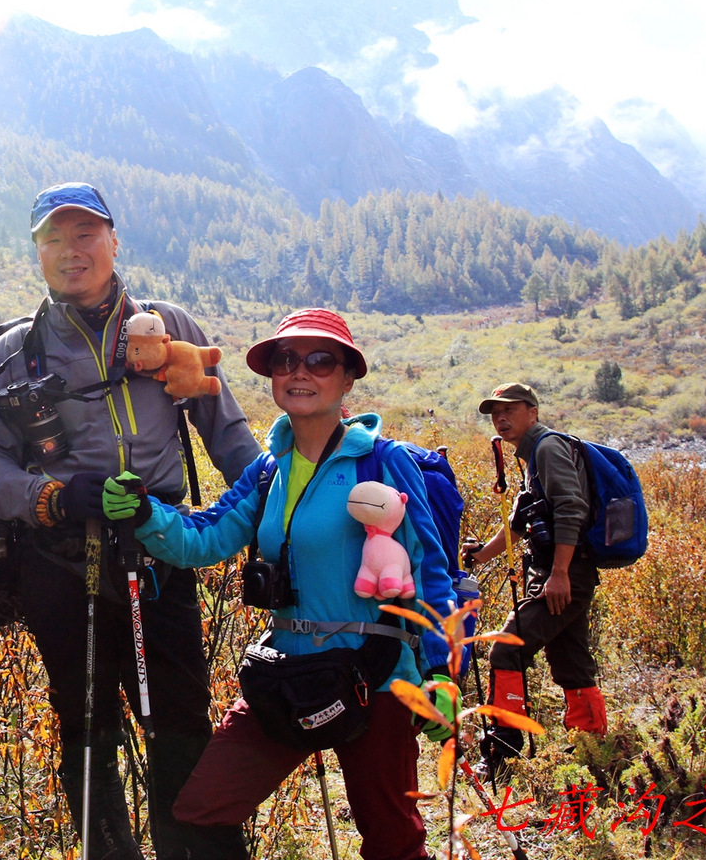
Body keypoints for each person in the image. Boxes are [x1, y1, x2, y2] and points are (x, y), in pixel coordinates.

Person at [0, 182, 260, 860]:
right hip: (59, 563)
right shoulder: (14, 351)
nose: (72, 251)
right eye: (54, 239)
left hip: (160, 554)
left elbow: (229, 435)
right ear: (37, 253)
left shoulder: (169, 328)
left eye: (85, 234)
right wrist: (55, 497)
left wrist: (279, 519)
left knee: (180, 720)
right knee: (85, 723)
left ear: (114, 241)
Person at [100, 308, 456, 860]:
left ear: (348, 378)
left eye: (321, 360)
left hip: (379, 674)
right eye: (286, 360)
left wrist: (440, 670)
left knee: (393, 841)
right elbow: (204, 537)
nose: (300, 372)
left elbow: (428, 565)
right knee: (200, 809)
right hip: (290, 673)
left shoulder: (381, 462)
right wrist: (146, 512)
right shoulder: (269, 470)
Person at [463, 382, 606, 777]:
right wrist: (482, 554)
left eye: (509, 410)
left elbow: (570, 509)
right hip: (560, 572)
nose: (501, 418)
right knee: (572, 663)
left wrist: (559, 574)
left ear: (533, 412)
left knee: (505, 651)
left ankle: (503, 751)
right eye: (495, 413)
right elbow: (520, 523)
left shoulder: (547, 448)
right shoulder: (532, 455)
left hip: (564, 574)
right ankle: (592, 749)